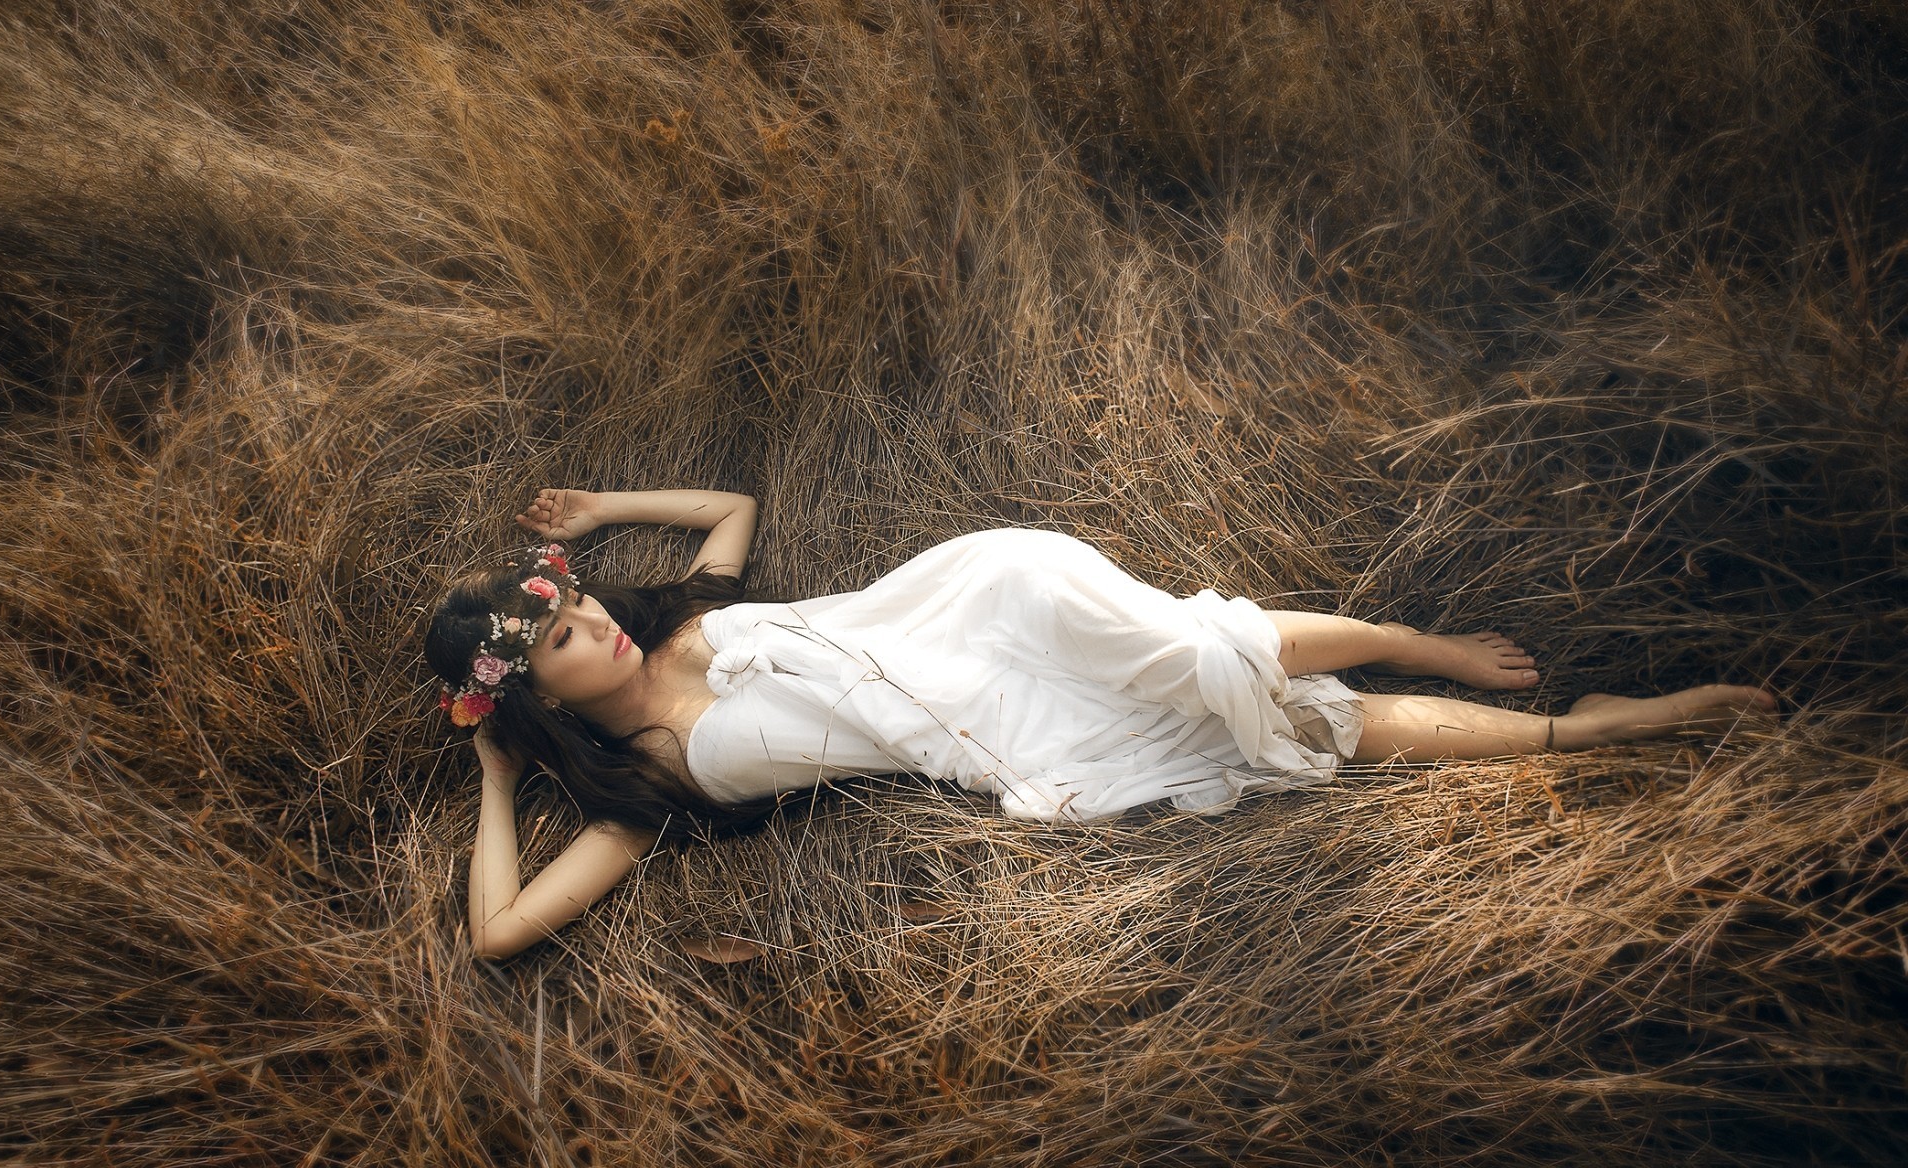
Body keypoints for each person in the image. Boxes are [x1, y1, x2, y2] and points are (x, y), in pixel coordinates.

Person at [424, 488, 1777, 958]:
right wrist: (494, 779)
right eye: (558, 637)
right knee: (1282, 737)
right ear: (534, 694)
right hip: (993, 733)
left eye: (575, 601)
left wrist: (603, 516)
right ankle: (1594, 732)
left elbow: (729, 515)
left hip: (978, 600)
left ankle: (1411, 642)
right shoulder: (636, 794)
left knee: (1199, 645)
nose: (592, 620)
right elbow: (497, 934)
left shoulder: (673, 621)